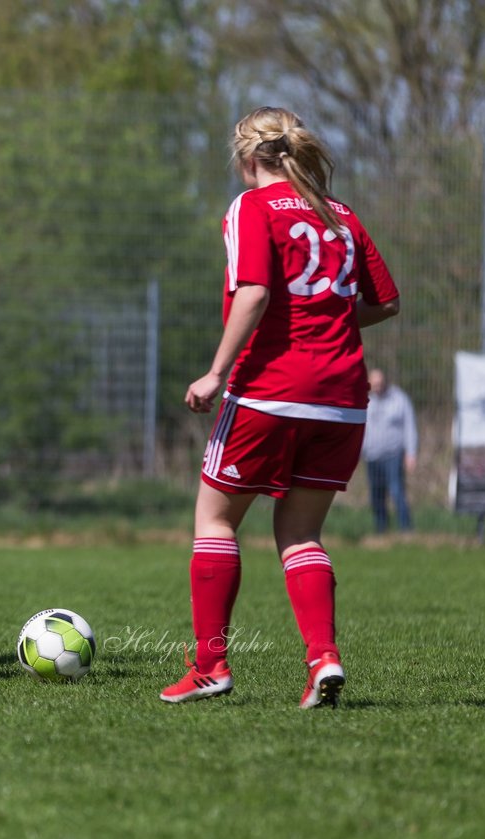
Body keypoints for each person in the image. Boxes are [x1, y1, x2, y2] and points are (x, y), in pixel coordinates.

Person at [159, 107, 400, 709]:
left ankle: (210, 665)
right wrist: (325, 321)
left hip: (269, 389)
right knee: (300, 533)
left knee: (215, 522)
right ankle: (324, 659)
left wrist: (216, 371)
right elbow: (385, 302)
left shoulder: (252, 207)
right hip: (342, 399)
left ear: (246, 159)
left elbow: (257, 291)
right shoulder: (339, 212)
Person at [362, 368, 417, 532]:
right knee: (376, 495)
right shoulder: (365, 400)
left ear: (385, 381)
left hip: (393, 455)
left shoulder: (399, 398)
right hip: (371, 456)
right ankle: (381, 530)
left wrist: (411, 453)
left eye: (380, 383)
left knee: (396, 491)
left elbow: (410, 426)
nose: (377, 386)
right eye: (374, 384)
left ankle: (406, 529)